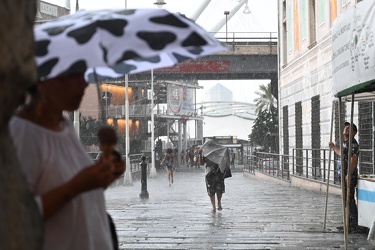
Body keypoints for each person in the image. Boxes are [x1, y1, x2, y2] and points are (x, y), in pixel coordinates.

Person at [9, 72, 125, 250]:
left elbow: (70, 190)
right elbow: (15, 219)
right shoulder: (23, 134)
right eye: (73, 76)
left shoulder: (64, 126)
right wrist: (76, 186)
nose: (84, 83)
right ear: (44, 81)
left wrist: (101, 177)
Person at [329, 122, 359, 233]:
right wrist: (333, 147)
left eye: (349, 128)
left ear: (354, 132)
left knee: (349, 199)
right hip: (343, 175)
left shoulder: (353, 144)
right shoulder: (346, 143)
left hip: (348, 177)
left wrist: (349, 174)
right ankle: (349, 224)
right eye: (345, 127)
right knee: (346, 199)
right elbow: (341, 153)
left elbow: (354, 159)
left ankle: (353, 224)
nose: (346, 129)